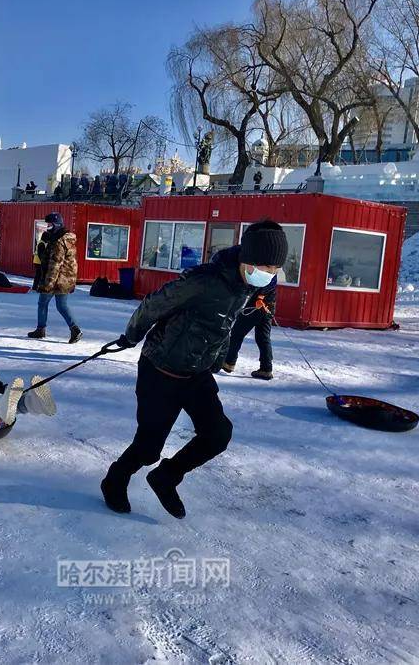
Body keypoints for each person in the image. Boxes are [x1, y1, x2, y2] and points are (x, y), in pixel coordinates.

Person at [101, 220, 288, 518]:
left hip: (197, 373)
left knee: (218, 433)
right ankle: (114, 480)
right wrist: (131, 336)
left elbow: (224, 325)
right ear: (246, 259)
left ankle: (166, 477)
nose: (269, 274)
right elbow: (153, 305)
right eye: (264, 267)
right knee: (148, 447)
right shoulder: (202, 281)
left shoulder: (249, 286)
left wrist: (217, 362)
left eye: (274, 269)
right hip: (160, 370)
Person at [28, 212, 83, 343]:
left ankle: (42, 329)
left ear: (57, 225)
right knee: (61, 306)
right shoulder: (65, 238)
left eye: (50, 225)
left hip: (57, 279)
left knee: (44, 303)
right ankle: (74, 329)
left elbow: (55, 264)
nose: (48, 227)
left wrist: (48, 283)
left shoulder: (58, 241)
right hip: (66, 278)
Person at [221, 267, 277, 380]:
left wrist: (261, 295)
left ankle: (229, 362)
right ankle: (266, 368)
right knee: (263, 337)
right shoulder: (272, 263)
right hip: (268, 303)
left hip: (258, 303)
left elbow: (268, 281)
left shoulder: (263, 262)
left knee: (237, 333)